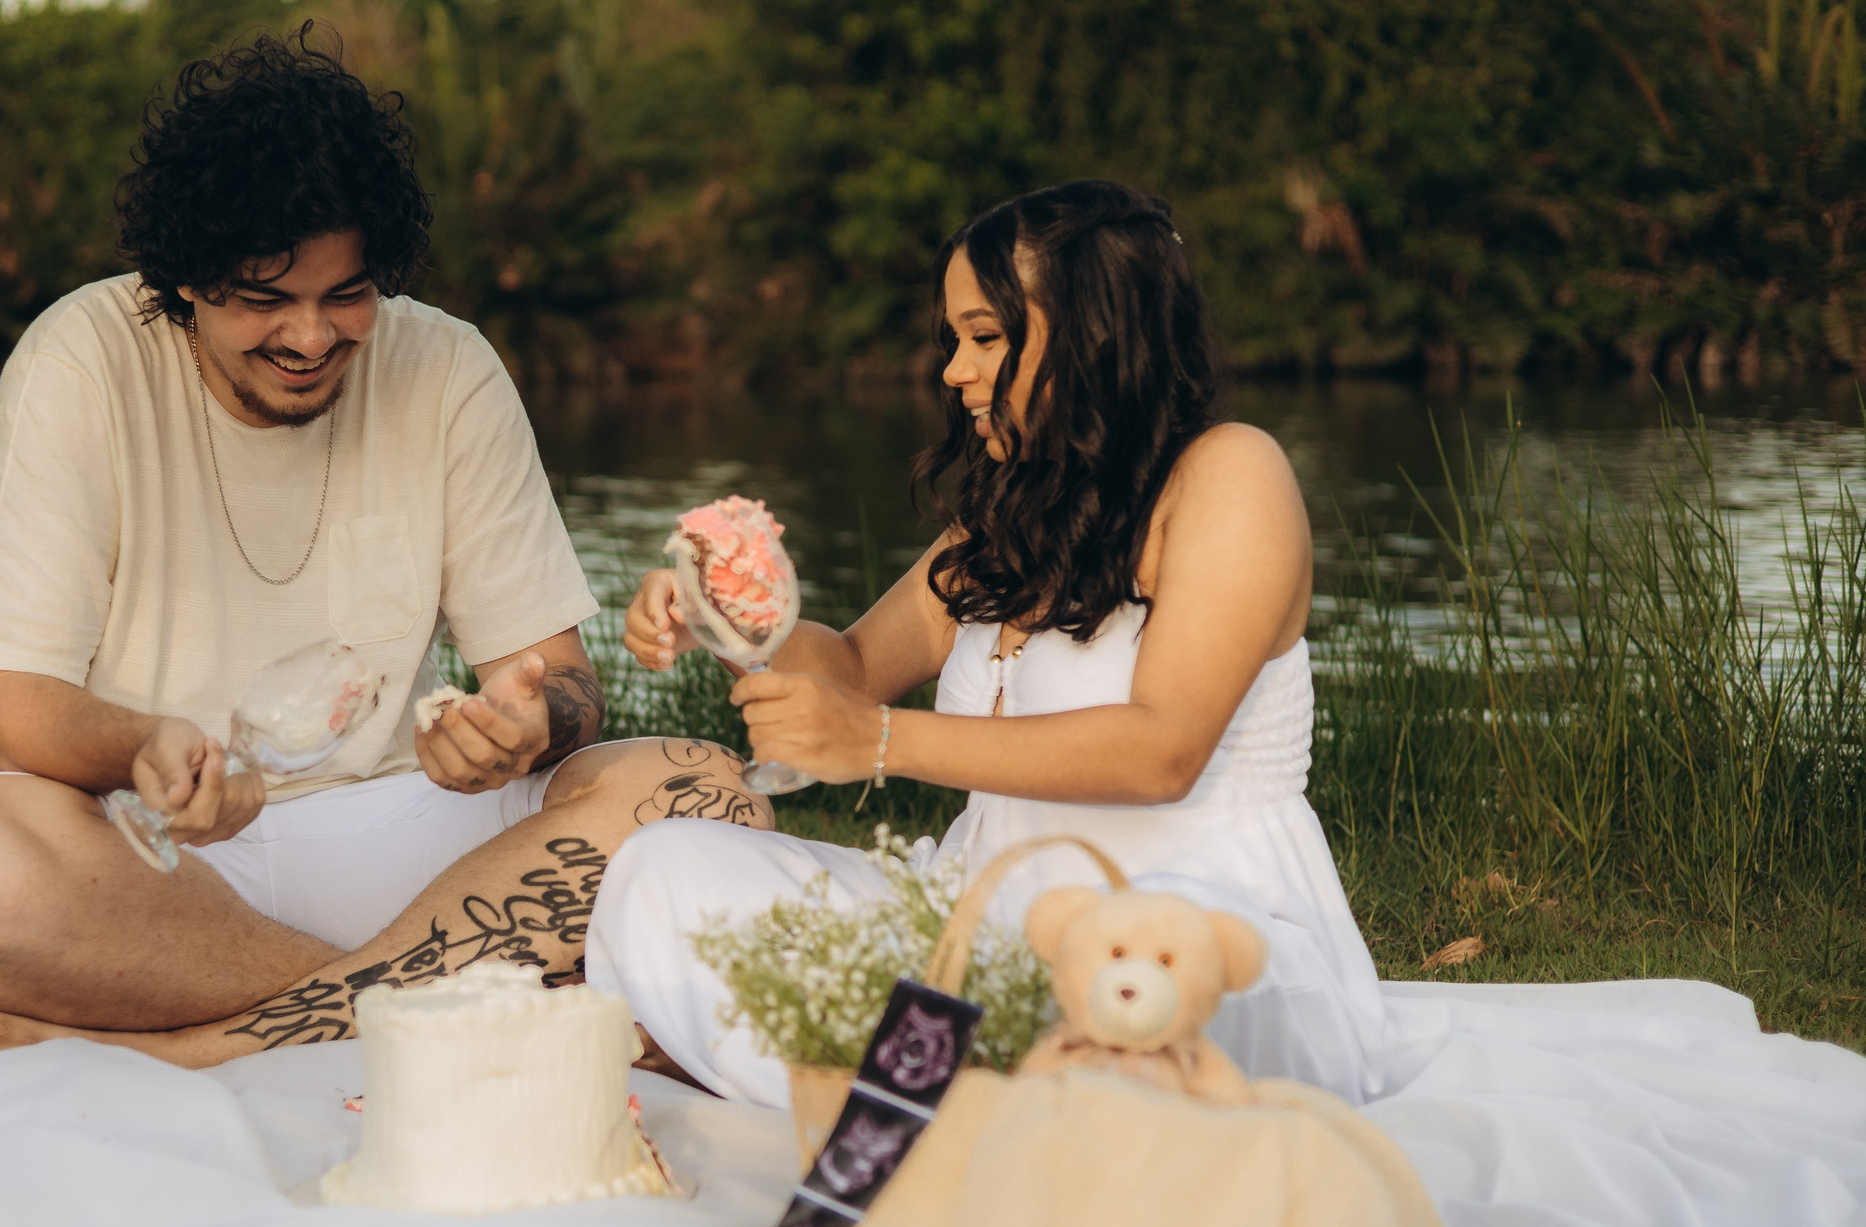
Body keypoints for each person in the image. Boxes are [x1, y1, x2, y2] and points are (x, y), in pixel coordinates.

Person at [0, 30, 762, 1067]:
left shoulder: (448, 367)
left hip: (411, 839)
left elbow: (561, 683)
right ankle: (475, 994)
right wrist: (141, 745)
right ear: (186, 281)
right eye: (264, 301)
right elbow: (10, 706)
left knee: (703, 787)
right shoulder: (81, 358)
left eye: (346, 295)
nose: (309, 339)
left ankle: (210, 1038)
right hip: (152, 854)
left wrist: (524, 727)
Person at [587, 179, 1388, 1105]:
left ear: (1092, 329)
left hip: (1179, 921)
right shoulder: (1008, 509)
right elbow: (850, 667)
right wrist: (719, 612)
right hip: (980, 909)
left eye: (986, 336)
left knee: (1106, 1017)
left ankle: (902, 1083)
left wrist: (880, 744)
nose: (954, 371)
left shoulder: (1229, 474)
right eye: (954, 340)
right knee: (665, 866)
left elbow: (1164, 748)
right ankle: (932, 1083)